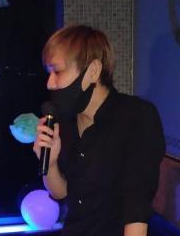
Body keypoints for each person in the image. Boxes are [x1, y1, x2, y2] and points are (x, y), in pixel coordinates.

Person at [33, 25, 165, 236]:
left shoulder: (136, 116)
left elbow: (136, 210)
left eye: (57, 71)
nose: (50, 83)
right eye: (49, 73)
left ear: (93, 71)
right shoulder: (66, 121)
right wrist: (50, 162)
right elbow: (61, 193)